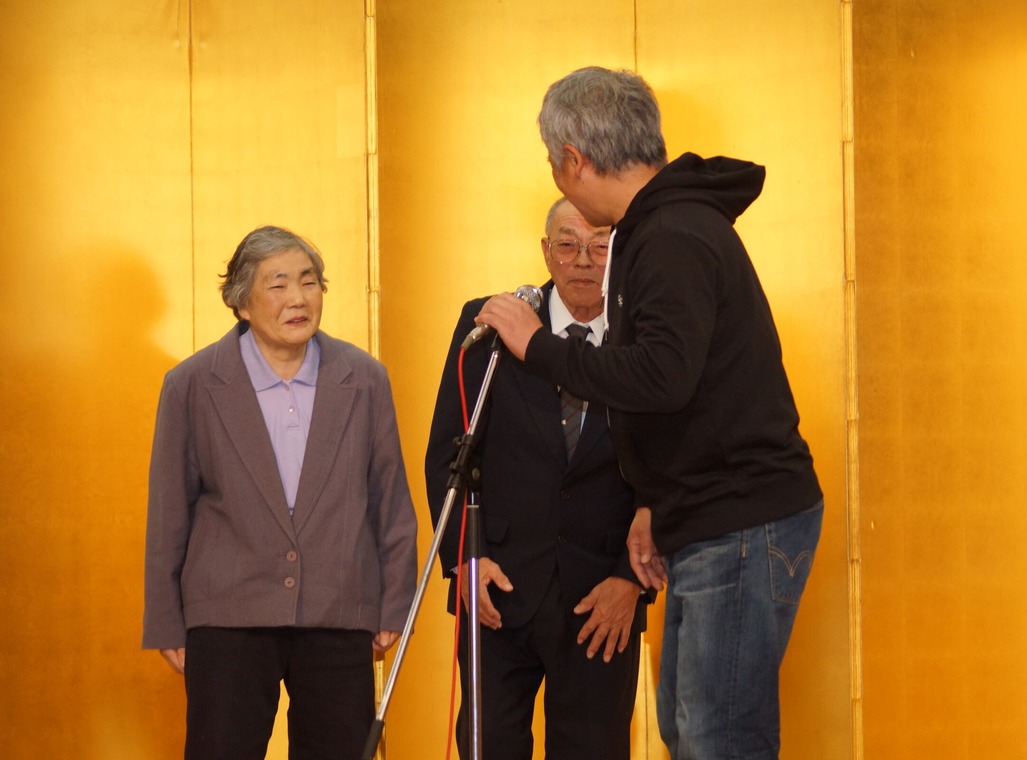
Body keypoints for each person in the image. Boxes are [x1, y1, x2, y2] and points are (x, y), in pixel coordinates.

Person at [474, 67, 824, 760]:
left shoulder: (670, 235)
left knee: (714, 738)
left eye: (554, 164)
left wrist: (537, 347)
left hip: (741, 522)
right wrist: (653, 502)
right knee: (692, 731)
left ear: (573, 160)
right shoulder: (665, 227)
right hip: (715, 518)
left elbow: (662, 377)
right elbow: (690, 392)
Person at [142, 225, 418, 760]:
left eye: (309, 282)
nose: (298, 298)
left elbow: (391, 502)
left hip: (339, 611)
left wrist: (394, 605)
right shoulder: (192, 385)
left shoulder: (364, 378)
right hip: (227, 615)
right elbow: (168, 513)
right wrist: (164, 618)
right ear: (241, 302)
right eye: (278, 284)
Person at [425, 198, 649, 760]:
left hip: (603, 603)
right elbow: (448, 455)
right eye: (568, 244)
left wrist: (632, 580)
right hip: (497, 589)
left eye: (601, 245)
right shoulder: (493, 324)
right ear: (546, 253)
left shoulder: (645, 336)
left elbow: (670, 467)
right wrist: (463, 561)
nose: (584, 260)